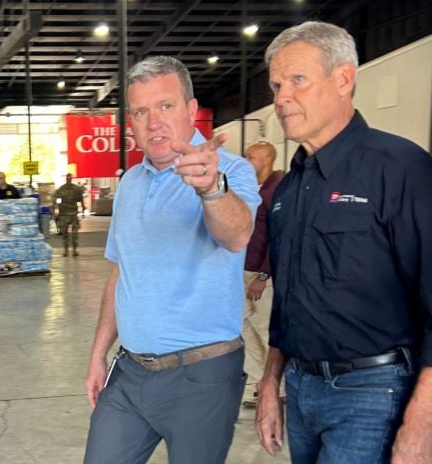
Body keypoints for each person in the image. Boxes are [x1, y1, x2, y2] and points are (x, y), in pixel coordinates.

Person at [255, 21, 432, 464]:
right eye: (277, 85)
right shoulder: (289, 189)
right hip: (301, 391)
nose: (281, 97)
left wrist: (419, 422)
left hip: (372, 394)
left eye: (297, 80)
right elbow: (288, 303)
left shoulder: (401, 170)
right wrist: (270, 386)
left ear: (343, 79)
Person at [83, 56, 260, 464]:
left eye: (165, 106)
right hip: (130, 374)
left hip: (202, 376)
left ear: (192, 110)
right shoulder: (129, 182)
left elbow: (236, 236)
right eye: (141, 111)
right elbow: (120, 272)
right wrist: (97, 355)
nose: (153, 122)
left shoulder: (230, 171)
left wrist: (210, 189)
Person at [242, 140, 283, 407]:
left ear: (266, 159)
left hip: (261, 276)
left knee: (266, 330)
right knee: (242, 326)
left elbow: (279, 238)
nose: (245, 160)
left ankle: (276, 388)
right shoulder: (253, 189)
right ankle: (259, 381)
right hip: (243, 271)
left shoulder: (277, 191)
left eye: (250, 156)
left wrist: (264, 276)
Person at [54, 173, 85, 257]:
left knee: (65, 234)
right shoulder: (76, 189)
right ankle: (73, 251)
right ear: (71, 179)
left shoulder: (61, 189)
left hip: (65, 214)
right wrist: (83, 210)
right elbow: (81, 200)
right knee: (73, 233)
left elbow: (57, 201)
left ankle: (66, 251)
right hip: (72, 214)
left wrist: (57, 209)